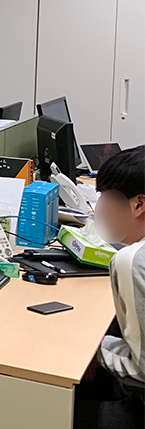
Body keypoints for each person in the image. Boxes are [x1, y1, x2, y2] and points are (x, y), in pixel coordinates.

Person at [75, 145, 145, 428]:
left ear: (138, 205)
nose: (99, 209)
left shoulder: (132, 261)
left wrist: (91, 348)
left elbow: (142, 369)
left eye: (106, 198)